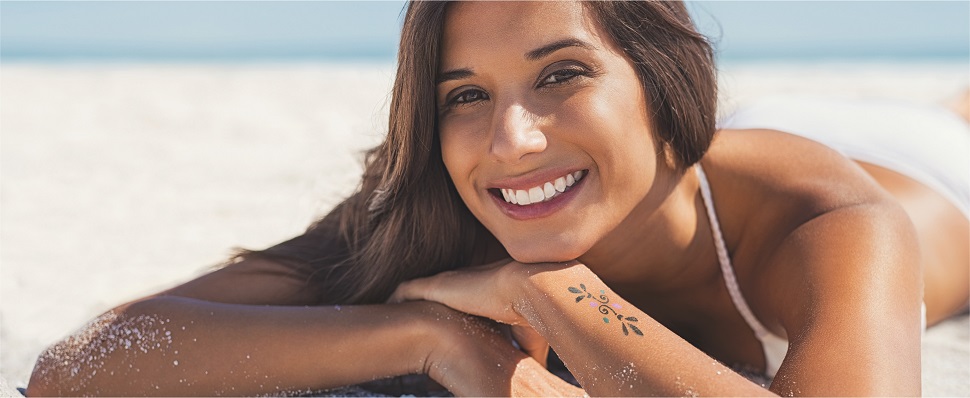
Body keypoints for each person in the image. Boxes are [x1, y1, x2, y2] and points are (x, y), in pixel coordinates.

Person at [26, 1, 968, 396]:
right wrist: (421, 336)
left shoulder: (833, 221)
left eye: (561, 73)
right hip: (671, 151)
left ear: (659, 76)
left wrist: (558, 296)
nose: (510, 141)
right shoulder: (441, 205)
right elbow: (82, 367)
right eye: (466, 95)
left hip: (934, 172)